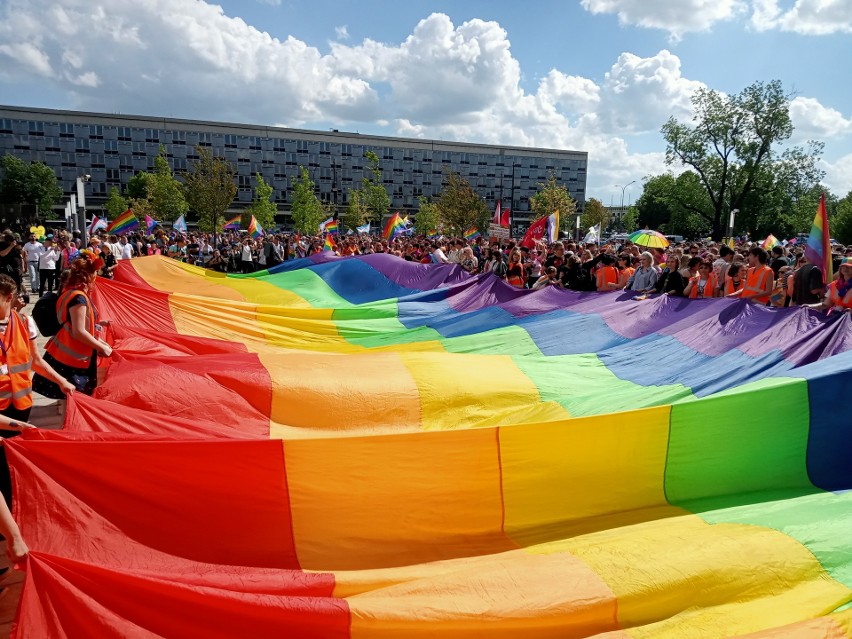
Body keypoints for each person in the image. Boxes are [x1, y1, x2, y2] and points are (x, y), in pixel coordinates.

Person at [32, 253, 112, 399]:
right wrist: (101, 348)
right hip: (73, 361)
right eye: (94, 273)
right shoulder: (79, 297)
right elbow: (79, 331)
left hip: (64, 354)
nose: (96, 276)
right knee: (74, 400)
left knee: (68, 399)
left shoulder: (69, 292)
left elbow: (79, 326)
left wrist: (99, 341)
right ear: (88, 275)